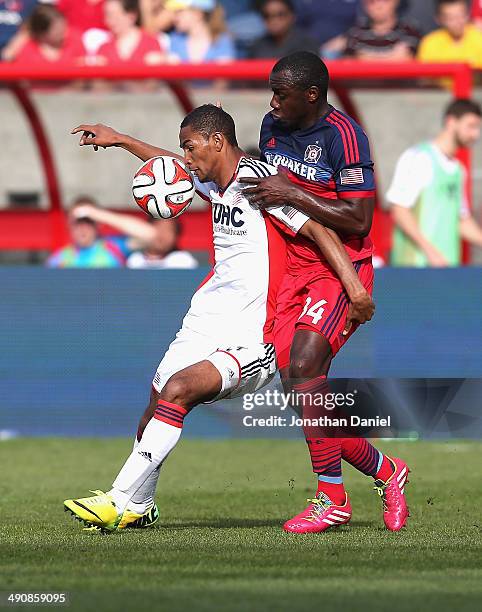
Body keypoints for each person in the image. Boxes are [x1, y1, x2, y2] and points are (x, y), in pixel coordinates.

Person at [63, 104, 375, 531]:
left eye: (190, 148)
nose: (186, 159)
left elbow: (319, 230)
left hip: (253, 332)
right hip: (206, 317)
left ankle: (118, 499)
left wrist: (355, 290)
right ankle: (140, 505)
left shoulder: (257, 183)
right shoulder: (214, 183)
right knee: (155, 404)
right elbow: (168, 167)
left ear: (217, 141)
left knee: (179, 390)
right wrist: (121, 139)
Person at [240, 52, 410, 533]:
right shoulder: (272, 126)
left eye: (281, 93)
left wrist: (293, 192)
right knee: (302, 391)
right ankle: (387, 470)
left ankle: (331, 497)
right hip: (288, 272)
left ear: (311, 95)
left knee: (305, 367)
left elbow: (359, 219)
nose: (272, 102)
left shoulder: (344, 135)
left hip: (339, 270)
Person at [387, 98, 482, 267]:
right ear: (451, 122)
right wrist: (431, 251)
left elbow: (460, 220)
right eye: (471, 126)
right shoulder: (419, 158)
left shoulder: (459, 170)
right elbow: (399, 210)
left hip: (446, 268)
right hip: (415, 268)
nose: (475, 134)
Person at [71, 201, 198, 269]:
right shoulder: (59, 259)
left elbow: (149, 234)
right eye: (78, 223)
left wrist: (95, 213)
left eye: (88, 221)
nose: (83, 228)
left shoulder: (113, 247)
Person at [12, 3, 86, 65]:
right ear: (42, 34)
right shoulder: (27, 48)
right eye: (57, 30)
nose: (63, 32)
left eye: (64, 27)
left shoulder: (75, 39)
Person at [344, 0, 421, 60]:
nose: (378, 5)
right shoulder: (355, 32)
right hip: (363, 80)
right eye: (372, 1)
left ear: (396, 1)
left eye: (384, 0)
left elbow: (409, 61)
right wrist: (393, 58)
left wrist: (365, 58)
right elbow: (348, 64)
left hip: (398, 80)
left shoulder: (410, 30)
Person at [95, 0, 165, 65]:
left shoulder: (150, 43)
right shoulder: (105, 48)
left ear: (131, 15)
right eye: (108, 15)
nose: (110, 21)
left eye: (115, 15)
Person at [417, 0, 482, 69]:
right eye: (451, 18)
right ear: (439, 19)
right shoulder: (430, 42)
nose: (457, 22)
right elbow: (424, 75)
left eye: (461, 16)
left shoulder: (479, 38)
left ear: (468, 14)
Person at [165, 0, 236, 63]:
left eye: (179, 12)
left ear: (197, 13)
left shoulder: (222, 41)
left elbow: (223, 76)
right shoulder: (174, 39)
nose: (174, 17)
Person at [249, 0, 319, 59]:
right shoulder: (257, 46)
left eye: (280, 14)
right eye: (267, 16)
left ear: (292, 16)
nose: (273, 21)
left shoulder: (307, 44)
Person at [294, 0, 361, 59]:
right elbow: (295, 24)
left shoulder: (355, 3)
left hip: (340, 51)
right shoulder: (304, 3)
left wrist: (347, 39)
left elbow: (363, 24)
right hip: (309, 48)